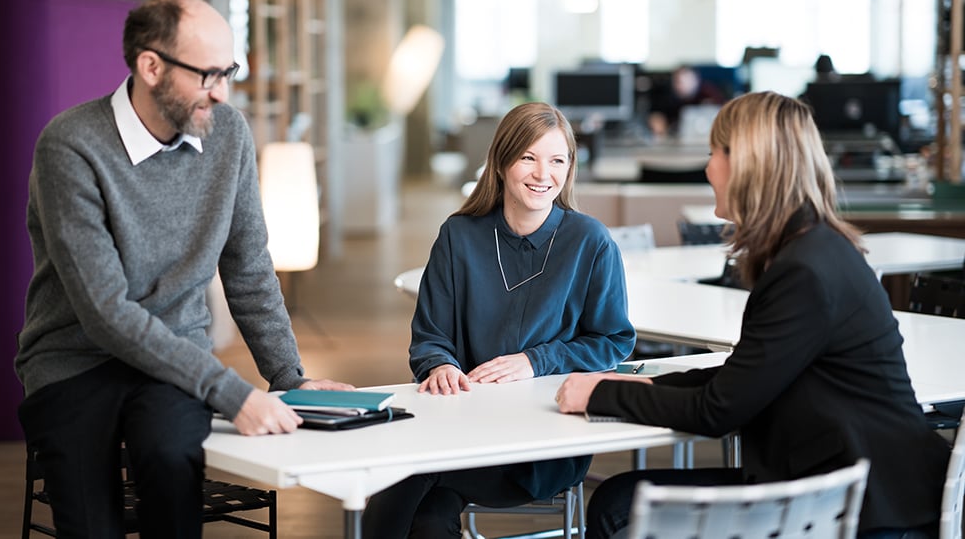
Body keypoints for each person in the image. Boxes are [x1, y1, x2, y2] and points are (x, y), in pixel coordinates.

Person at [14, 0, 352, 538]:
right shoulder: (71, 146)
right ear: (151, 66)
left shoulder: (229, 134)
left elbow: (247, 266)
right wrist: (232, 393)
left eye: (229, 72)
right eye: (208, 74)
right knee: (90, 517)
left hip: (173, 363)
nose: (222, 92)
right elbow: (104, 313)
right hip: (73, 362)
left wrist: (290, 378)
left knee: (171, 460)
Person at [556, 91, 950, 539]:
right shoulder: (813, 249)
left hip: (870, 510)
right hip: (861, 487)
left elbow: (717, 410)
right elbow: (743, 378)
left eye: (713, 154)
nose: (707, 169)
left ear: (746, 164)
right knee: (618, 501)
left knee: (618, 509)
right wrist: (637, 384)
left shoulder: (804, 270)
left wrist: (599, 395)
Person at [361, 101, 636, 539]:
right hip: (461, 431)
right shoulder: (459, 235)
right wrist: (440, 365)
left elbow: (613, 342)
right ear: (502, 161)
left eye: (556, 160)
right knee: (427, 519)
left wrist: (536, 360)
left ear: (569, 168)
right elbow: (430, 336)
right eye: (528, 157)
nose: (542, 174)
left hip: (543, 443)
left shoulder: (590, 242)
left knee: (401, 474)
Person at [647, 65, 725, 138]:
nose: (681, 85)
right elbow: (657, 116)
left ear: (696, 80)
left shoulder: (709, 93)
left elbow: (723, 114)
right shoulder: (667, 96)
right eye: (678, 81)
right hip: (675, 141)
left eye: (685, 80)